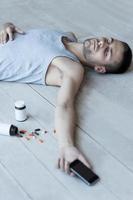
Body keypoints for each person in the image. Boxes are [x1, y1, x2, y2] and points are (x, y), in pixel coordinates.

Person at [0, 22, 132, 176]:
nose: (102, 43)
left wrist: (66, 146)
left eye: (107, 51)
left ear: (100, 68)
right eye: (108, 40)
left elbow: (65, 104)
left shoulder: (71, 68)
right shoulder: (68, 35)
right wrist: (7, 26)